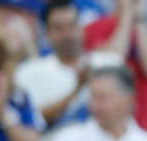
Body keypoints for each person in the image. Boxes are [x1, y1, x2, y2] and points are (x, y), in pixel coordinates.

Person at [82, 0, 147, 132]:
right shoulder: (92, 29)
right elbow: (111, 61)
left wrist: (139, 16)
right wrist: (126, 16)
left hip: (143, 125)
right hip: (102, 123)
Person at [13, 0, 90, 130]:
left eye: (71, 26)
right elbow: (34, 119)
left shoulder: (104, 62)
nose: (67, 34)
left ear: (81, 28)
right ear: (48, 33)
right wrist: (77, 90)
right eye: (58, 28)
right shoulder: (30, 71)